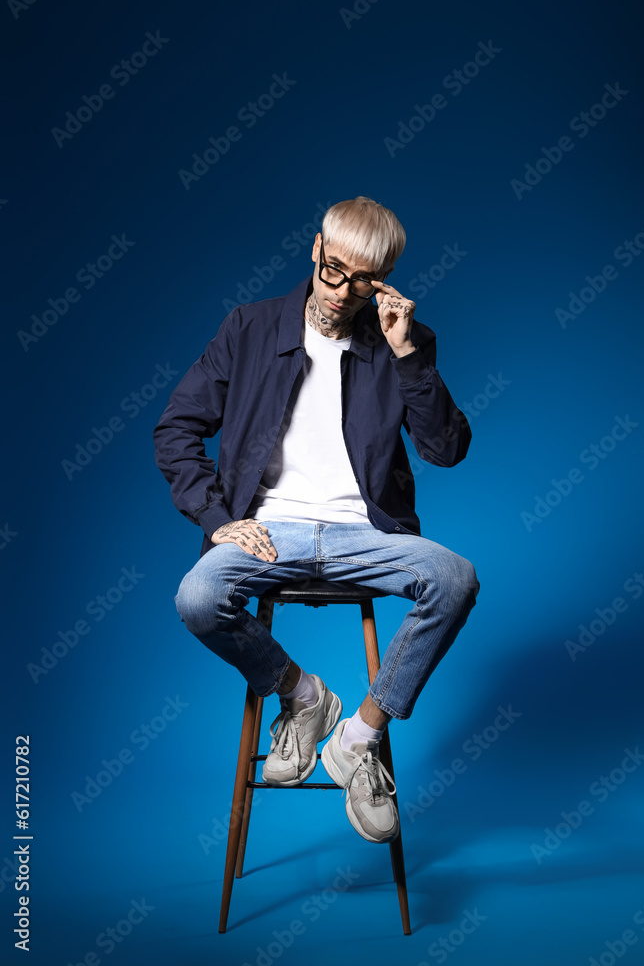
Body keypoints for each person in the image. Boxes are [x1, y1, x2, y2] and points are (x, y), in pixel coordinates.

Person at [153, 196, 480, 845]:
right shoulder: (249, 328)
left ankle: (357, 738)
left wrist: (408, 355)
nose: (342, 290)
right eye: (333, 269)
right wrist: (218, 519)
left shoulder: (400, 341)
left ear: (381, 278)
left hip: (368, 534)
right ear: (315, 250)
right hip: (270, 532)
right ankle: (301, 693)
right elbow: (176, 428)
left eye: (362, 279)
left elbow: (446, 449)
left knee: (455, 577)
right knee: (197, 596)